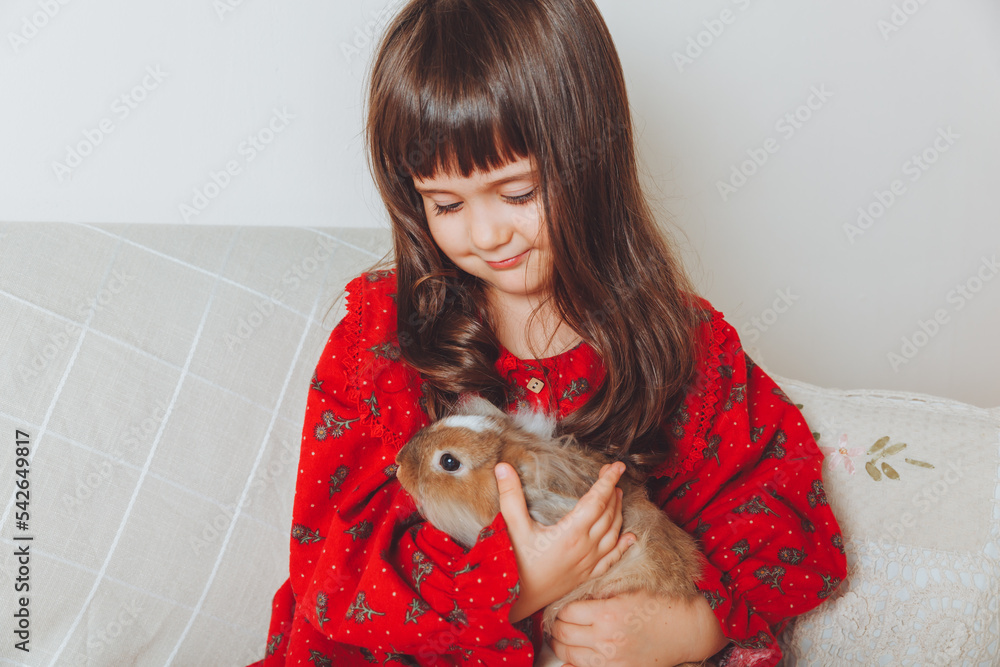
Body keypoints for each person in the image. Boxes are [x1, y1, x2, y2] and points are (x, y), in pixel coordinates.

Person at [249, 0, 847, 665]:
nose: (484, 234)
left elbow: (773, 510)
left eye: (517, 193)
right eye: (445, 203)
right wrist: (521, 584)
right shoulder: (383, 342)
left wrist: (689, 627)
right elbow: (333, 571)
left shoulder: (681, 348)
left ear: (591, 161)